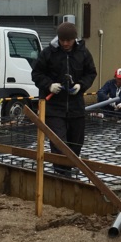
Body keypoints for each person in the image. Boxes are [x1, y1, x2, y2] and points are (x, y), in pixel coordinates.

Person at [31, 21, 96, 176]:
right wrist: (49, 85)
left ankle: (68, 171)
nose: (65, 44)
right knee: (59, 145)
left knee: (76, 143)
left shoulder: (83, 53)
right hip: (54, 108)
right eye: (62, 40)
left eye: (69, 40)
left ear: (74, 39)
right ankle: (63, 177)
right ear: (58, 38)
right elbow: (36, 74)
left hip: (76, 108)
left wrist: (81, 86)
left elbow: (91, 73)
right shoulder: (48, 53)